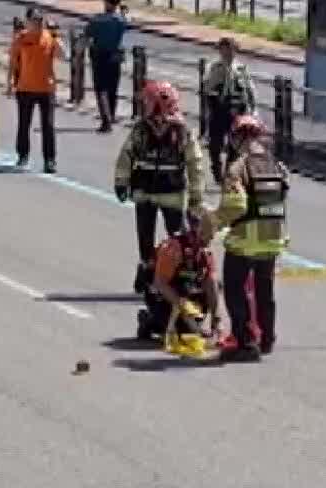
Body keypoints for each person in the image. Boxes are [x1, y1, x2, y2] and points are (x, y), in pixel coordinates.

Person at [114, 81, 207, 293]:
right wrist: (121, 181)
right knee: (145, 238)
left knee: (178, 239)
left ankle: (176, 276)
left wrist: (196, 198)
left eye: (148, 102)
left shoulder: (182, 131)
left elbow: (195, 164)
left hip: (172, 194)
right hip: (145, 193)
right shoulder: (142, 129)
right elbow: (127, 155)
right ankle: (147, 270)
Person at [212, 113, 289, 362]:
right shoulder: (275, 164)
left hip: (246, 239)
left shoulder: (239, 166)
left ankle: (245, 342)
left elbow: (235, 204)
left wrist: (213, 223)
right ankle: (266, 338)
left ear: (237, 138)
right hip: (273, 237)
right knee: (264, 289)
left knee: (235, 288)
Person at [139, 216, 222, 355]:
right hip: (162, 293)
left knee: (189, 329)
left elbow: (210, 283)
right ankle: (149, 320)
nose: (209, 241)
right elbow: (159, 283)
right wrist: (183, 306)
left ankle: (187, 321)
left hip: (186, 290)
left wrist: (216, 319)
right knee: (172, 326)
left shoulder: (204, 253)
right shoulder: (175, 248)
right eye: (207, 236)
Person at [7, 7, 60, 172]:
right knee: (24, 124)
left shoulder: (49, 37)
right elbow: (13, 62)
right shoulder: (21, 38)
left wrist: (57, 37)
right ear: (28, 21)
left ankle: (49, 160)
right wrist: (9, 82)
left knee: (48, 126)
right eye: (35, 20)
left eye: (40, 20)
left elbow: (63, 55)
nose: (38, 23)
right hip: (25, 87)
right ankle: (23, 156)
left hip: (46, 88)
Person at [200, 36, 257, 183]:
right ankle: (216, 169)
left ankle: (229, 172)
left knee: (235, 145)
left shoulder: (241, 69)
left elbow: (250, 90)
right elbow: (206, 88)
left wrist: (252, 110)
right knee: (215, 144)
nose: (228, 53)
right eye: (224, 49)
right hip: (220, 110)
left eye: (231, 49)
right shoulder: (215, 68)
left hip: (237, 111)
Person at [84, 0, 131, 133]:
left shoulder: (97, 20)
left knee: (100, 89)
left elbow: (87, 35)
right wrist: (124, 13)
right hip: (115, 57)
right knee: (112, 88)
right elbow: (127, 23)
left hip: (99, 56)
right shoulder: (120, 20)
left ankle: (106, 120)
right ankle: (112, 115)